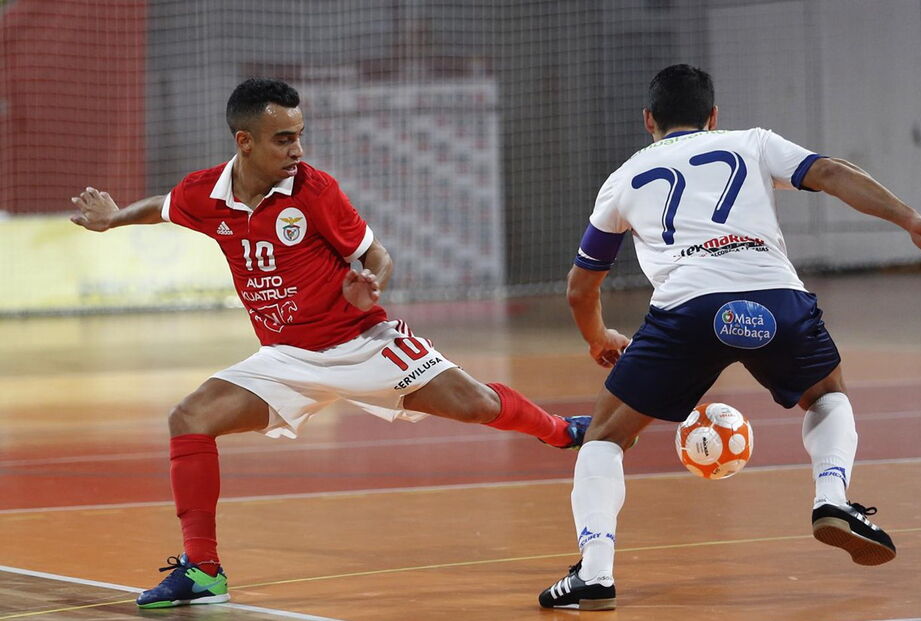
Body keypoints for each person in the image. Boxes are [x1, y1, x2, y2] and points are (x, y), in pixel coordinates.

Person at [70, 78, 590, 609]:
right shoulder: (207, 193)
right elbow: (165, 206)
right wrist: (115, 219)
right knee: (189, 418)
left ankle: (559, 430)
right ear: (244, 141)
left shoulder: (314, 191)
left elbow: (377, 254)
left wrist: (372, 285)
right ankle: (203, 571)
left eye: (299, 135)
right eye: (282, 139)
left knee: (477, 404)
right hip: (286, 359)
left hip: (361, 343)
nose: (297, 149)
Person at [538, 64, 921, 611]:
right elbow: (833, 174)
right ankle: (832, 497)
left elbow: (582, 287)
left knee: (605, 436)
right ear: (713, 116)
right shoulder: (752, 144)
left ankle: (596, 574)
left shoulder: (625, 177)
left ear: (648, 119)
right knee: (827, 394)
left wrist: (598, 335)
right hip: (774, 300)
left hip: (687, 312)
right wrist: (909, 219)